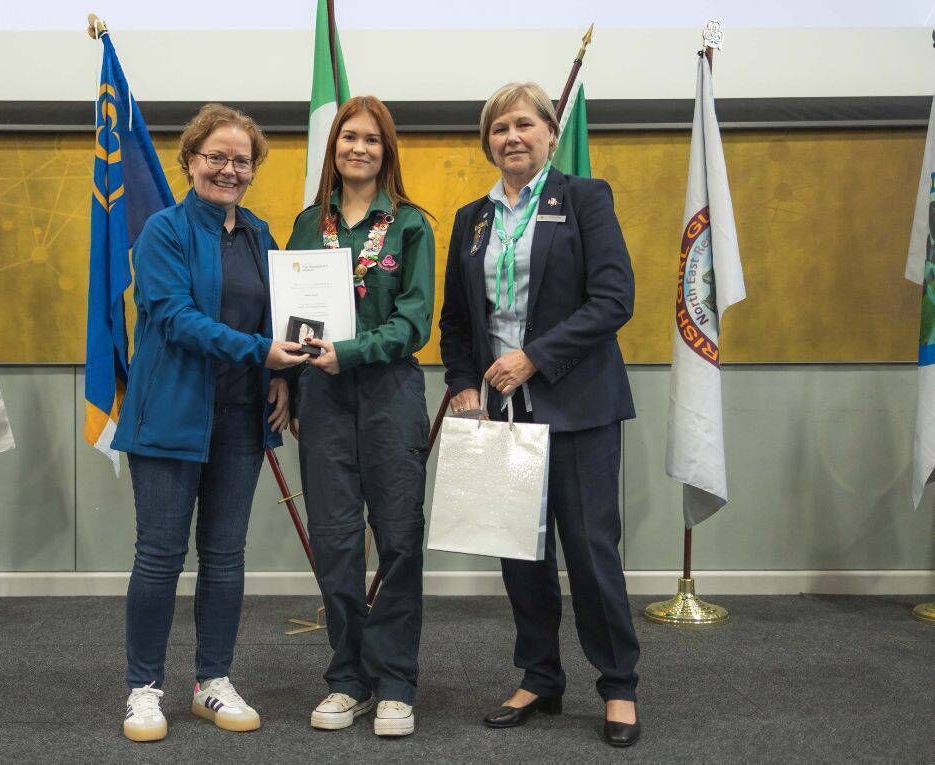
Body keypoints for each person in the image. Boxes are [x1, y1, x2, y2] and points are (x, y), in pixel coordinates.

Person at [438, 82, 642, 748]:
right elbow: (457, 322)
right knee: (521, 558)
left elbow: (614, 299)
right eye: (498, 128)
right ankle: (539, 675)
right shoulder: (472, 218)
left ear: (551, 133)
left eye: (524, 124)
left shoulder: (585, 199)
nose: (511, 137)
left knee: (589, 552)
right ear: (487, 143)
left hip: (577, 406)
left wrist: (533, 357)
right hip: (502, 415)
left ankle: (618, 684)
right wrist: (466, 383)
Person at [111, 103, 308, 742]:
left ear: (253, 169)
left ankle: (211, 683)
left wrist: (281, 375)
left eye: (240, 160)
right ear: (190, 161)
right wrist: (262, 354)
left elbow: (277, 321)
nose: (228, 168)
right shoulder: (162, 231)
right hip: (168, 416)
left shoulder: (259, 234)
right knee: (160, 556)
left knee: (225, 557)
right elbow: (173, 317)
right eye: (215, 157)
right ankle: (144, 689)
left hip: (238, 419)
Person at [286, 96, 435, 738]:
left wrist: (346, 352)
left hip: (389, 396)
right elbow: (284, 315)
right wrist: (287, 383)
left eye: (372, 140)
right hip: (320, 400)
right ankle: (348, 677)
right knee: (337, 541)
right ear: (334, 147)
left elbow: (414, 322)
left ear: (387, 151)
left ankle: (397, 682)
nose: (360, 149)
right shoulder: (304, 224)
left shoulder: (410, 226)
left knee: (398, 539)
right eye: (350, 137)